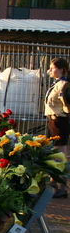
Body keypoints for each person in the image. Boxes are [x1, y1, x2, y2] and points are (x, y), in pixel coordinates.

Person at [45, 58, 70, 198]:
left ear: (61, 69)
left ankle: (62, 187)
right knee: (54, 155)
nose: (50, 70)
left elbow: (67, 106)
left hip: (60, 122)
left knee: (59, 156)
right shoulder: (57, 84)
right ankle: (53, 183)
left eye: (53, 68)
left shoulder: (64, 85)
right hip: (53, 121)